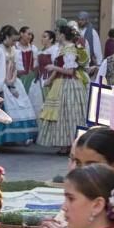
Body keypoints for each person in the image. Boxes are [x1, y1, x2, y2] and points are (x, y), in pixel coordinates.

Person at [37, 24, 89, 154]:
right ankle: (65, 144)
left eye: (58, 33)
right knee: (63, 115)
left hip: (69, 84)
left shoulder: (70, 49)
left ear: (62, 35)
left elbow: (70, 71)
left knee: (69, 115)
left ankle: (70, 144)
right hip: (61, 83)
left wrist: (53, 69)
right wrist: (50, 79)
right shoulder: (64, 48)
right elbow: (61, 66)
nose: (57, 36)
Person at [0, 25, 39, 146]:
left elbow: (15, 66)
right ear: (6, 37)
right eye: (12, 40)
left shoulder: (12, 50)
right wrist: (8, 84)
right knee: (5, 106)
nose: (14, 43)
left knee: (20, 104)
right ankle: (1, 138)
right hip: (2, 80)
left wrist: (13, 81)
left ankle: (13, 138)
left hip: (13, 79)